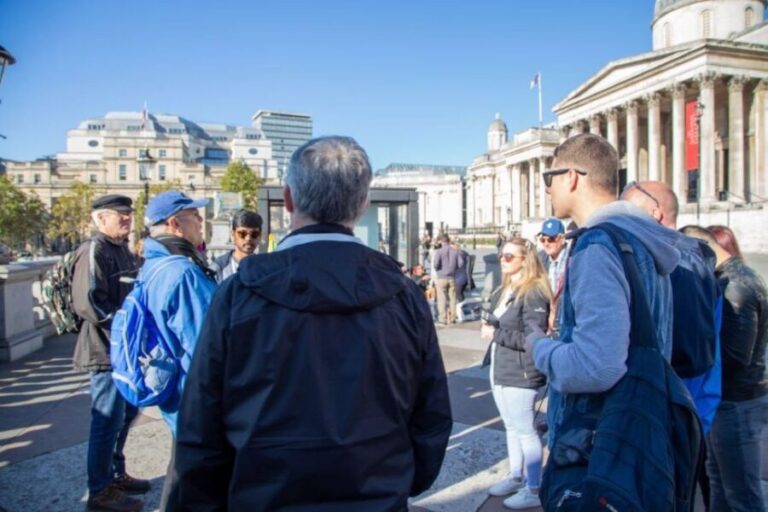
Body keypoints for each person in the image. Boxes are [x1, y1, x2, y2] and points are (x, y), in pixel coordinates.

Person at [173, 136, 453, 511]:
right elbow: (431, 414)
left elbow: (200, 428)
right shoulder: (404, 296)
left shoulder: (238, 295)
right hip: (376, 497)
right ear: (364, 204)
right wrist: (400, 480)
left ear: (288, 199)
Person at [528, 134, 680, 464]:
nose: (546, 188)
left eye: (548, 178)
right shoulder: (640, 239)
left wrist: (540, 348)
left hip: (597, 444)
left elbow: (596, 367)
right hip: (640, 429)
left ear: (571, 177)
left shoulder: (597, 247)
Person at [622, 181, 723, 510]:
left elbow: (687, 355)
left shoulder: (671, 265)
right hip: (688, 415)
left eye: (628, 212)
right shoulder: (696, 261)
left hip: (663, 418)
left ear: (655, 213)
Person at [140, 190, 218, 510]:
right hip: (194, 396)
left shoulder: (155, 265)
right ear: (175, 224)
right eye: (194, 216)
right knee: (195, 480)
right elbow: (208, 346)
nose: (201, 221)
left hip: (174, 392)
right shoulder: (183, 273)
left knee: (181, 471)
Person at [71, 194, 149, 512]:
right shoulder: (95, 249)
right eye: (120, 215)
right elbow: (88, 303)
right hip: (104, 351)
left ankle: (115, 475)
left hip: (124, 352)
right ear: (100, 219)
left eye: (129, 214)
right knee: (106, 420)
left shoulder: (122, 251)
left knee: (125, 416)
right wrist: (124, 327)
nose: (127, 219)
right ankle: (99, 491)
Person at [684, 226, 767, 512]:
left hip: (737, 401)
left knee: (742, 491)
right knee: (719, 481)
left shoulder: (735, 286)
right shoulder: (730, 279)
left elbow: (735, 358)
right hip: (730, 399)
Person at [481, 238, 550, 510]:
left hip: (521, 371)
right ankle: (516, 474)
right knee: (511, 426)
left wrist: (496, 333)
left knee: (525, 430)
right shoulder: (507, 288)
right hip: (501, 366)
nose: (503, 260)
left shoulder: (533, 291)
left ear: (525, 259)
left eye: (509, 256)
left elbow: (534, 338)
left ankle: (533, 488)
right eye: (501, 255)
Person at [211, 209, 263, 282]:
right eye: (242, 234)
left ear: (260, 236)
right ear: (232, 235)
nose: (248, 238)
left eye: (254, 234)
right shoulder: (219, 267)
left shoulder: (265, 267)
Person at [432, 233, 465, 324]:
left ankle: (442, 318)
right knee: (453, 298)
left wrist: (438, 269)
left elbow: (435, 264)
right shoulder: (455, 251)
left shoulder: (439, 251)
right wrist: (455, 268)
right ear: (448, 241)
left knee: (441, 298)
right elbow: (461, 264)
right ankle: (453, 317)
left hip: (441, 277)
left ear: (441, 241)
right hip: (452, 277)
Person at [536, 218, 567, 293]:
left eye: (551, 239)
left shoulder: (572, 258)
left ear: (562, 239)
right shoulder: (540, 259)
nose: (546, 244)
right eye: (543, 240)